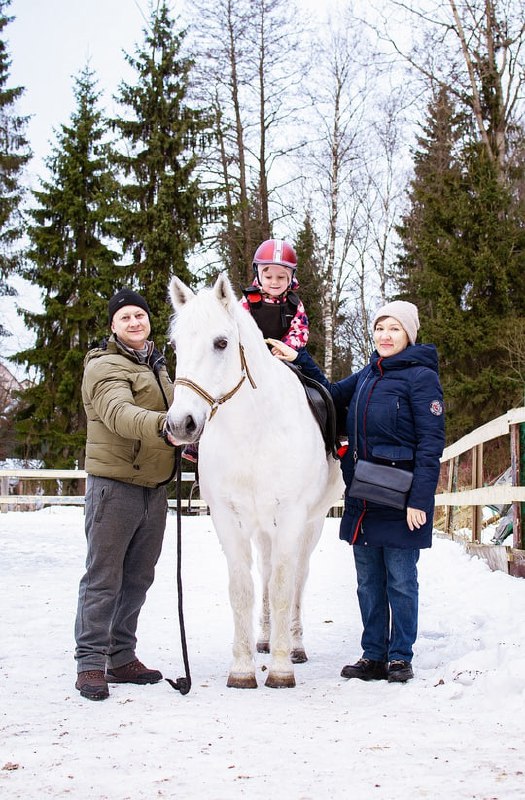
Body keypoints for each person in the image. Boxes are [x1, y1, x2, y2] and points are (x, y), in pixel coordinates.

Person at [269, 300, 445, 683]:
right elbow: (331, 393)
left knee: (400, 580)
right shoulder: (368, 374)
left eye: (394, 328)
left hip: (402, 499)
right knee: (368, 582)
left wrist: (420, 500)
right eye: (380, 327)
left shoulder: (421, 378)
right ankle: (373, 655)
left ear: (409, 335)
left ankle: (399, 656)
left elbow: (431, 445)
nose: (385, 335)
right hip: (365, 493)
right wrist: (298, 357)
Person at [74, 288, 176, 701]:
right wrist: (167, 426)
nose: (135, 322)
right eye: (125, 317)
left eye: (140, 315)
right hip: (114, 488)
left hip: (154, 488)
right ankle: (90, 664)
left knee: (137, 578)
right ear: (113, 326)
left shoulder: (157, 366)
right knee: (104, 577)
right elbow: (119, 415)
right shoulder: (104, 366)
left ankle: (121, 656)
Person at [182, 238, 309, 462]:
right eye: (269, 276)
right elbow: (236, 330)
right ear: (258, 274)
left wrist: (288, 348)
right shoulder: (247, 301)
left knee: (315, 388)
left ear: (291, 277)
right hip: (252, 358)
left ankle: (325, 434)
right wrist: (257, 353)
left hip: (286, 357)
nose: (275, 282)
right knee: (219, 390)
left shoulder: (294, 304)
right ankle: (199, 443)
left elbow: (300, 330)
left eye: (281, 277)